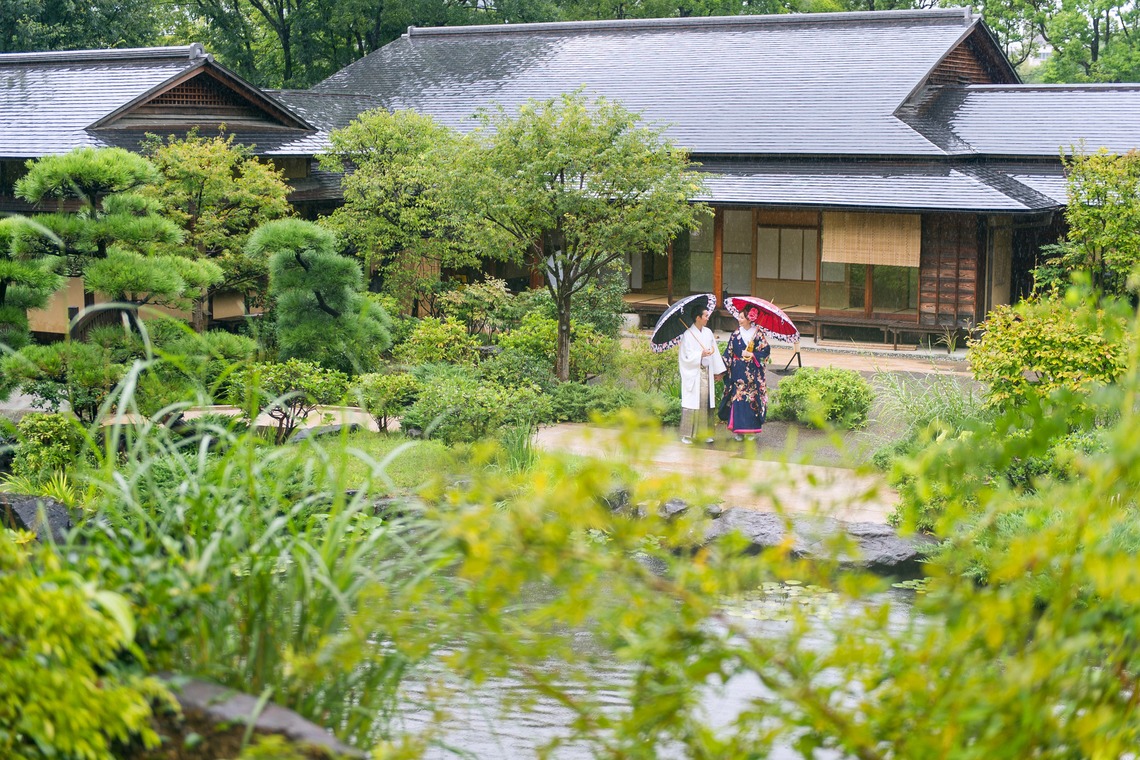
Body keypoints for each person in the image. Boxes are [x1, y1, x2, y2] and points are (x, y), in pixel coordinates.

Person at [678, 303, 726, 444]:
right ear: (698, 317)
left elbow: (715, 352)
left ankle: (706, 433)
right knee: (693, 404)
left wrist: (718, 372)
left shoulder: (708, 332)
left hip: (707, 372)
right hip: (694, 373)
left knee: (707, 404)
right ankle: (688, 435)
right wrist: (700, 354)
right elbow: (684, 357)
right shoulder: (687, 335)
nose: (707, 317)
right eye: (705, 315)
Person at [721, 306, 770, 442]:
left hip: (752, 374)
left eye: (742, 317)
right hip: (738, 371)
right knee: (738, 400)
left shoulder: (758, 334)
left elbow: (765, 351)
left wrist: (753, 354)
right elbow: (728, 353)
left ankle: (751, 430)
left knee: (752, 401)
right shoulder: (735, 334)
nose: (739, 319)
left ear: (749, 318)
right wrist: (721, 369)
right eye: (739, 317)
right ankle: (738, 430)